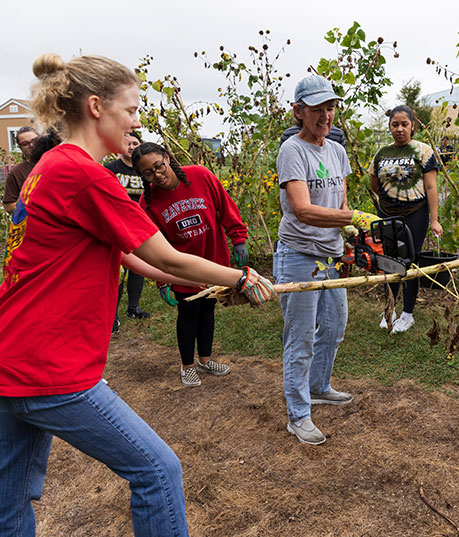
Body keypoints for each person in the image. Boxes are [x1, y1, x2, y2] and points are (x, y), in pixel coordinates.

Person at [0, 52, 276, 537]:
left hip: (10, 356)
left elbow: (123, 254)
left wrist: (177, 283)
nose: (137, 121)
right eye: (130, 109)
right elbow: (167, 255)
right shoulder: (87, 175)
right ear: (95, 107)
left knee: (10, 505)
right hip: (49, 365)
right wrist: (241, 278)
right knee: (157, 471)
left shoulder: (49, 167)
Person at [274, 74, 379, 446]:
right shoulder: (292, 150)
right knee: (300, 337)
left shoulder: (336, 150)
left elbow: (341, 202)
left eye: (330, 107)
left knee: (334, 325)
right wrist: (353, 219)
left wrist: (350, 232)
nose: (325, 115)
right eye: (317, 108)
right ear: (298, 111)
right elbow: (302, 209)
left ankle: (318, 386)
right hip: (299, 255)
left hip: (330, 255)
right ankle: (298, 414)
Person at [132, 142, 249, 387]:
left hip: (213, 261)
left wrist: (238, 238)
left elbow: (225, 206)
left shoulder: (200, 176)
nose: (158, 175)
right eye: (148, 173)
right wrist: (162, 280)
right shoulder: (149, 202)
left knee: (208, 309)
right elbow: (153, 245)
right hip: (183, 270)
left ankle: (206, 360)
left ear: (167, 157)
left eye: (159, 166)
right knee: (188, 313)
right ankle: (188, 366)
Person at [369, 105, 443, 333]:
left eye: (404, 124)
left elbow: (431, 187)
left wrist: (434, 220)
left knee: (409, 262)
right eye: (395, 124)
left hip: (415, 215)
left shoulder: (423, 151)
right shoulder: (382, 154)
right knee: (389, 263)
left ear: (413, 126)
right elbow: (373, 181)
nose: (400, 129)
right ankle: (389, 310)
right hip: (387, 215)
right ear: (389, 126)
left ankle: (407, 314)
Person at [105, 131, 150, 330]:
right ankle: (112, 316)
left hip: (140, 225)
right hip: (117, 225)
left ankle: (134, 307)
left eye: (135, 143)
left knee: (138, 268)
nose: (131, 147)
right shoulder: (110, 169)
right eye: (127, 143)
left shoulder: (145, 170)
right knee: (118, 271)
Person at [2, 126, 39, 214]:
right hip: (32, 223)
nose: (31, 145)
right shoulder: (16, 173)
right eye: (25, 144)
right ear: (20, 147)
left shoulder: (54, 162)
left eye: (35, 140)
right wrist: (32, 205)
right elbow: (9, 206)